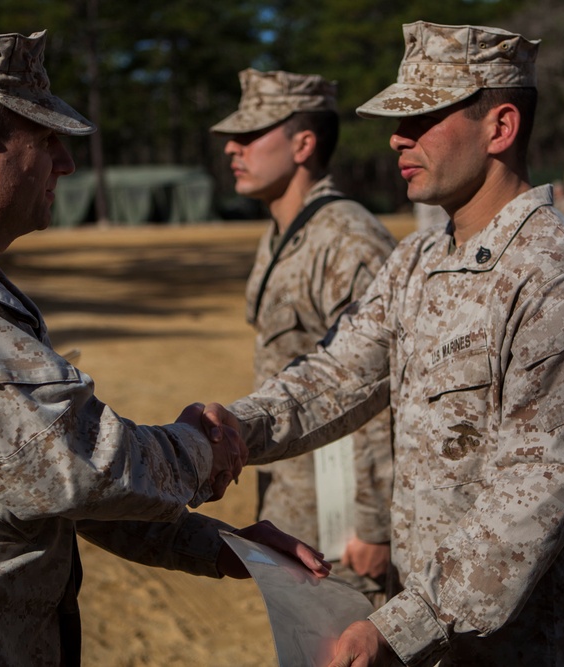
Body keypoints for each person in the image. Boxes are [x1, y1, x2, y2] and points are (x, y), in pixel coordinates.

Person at [0, 30, 328, 666]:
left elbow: (44, 487)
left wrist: (224, 548)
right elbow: (67, 467)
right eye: (48, 141)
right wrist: (202, 448)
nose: (66, 164)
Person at [208, 20, 564, 665]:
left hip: (534, 636)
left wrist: (403, 625)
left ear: (500, 128)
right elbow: (340, 374)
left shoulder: (559, 280)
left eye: (425, 118)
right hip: (444, 626)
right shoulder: (419, 257)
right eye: (398, 119)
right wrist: (233, 428)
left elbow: (536, 493)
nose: (397, 137)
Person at [210, 68, 397, 602]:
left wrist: (374, 523)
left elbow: (378, 387)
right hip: (296, 506)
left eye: (250, 135)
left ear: (304, 143)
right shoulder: (286, 232)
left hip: (342, 528)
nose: (232, 149)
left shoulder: (347, 240)